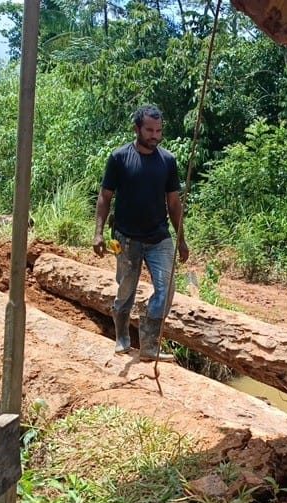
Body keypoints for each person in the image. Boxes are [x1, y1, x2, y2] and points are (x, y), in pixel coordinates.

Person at [94, 105, 189, 362]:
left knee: (166, 289)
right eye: (149, 130)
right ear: (137, 128)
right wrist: (98, 233)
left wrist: (181, 239)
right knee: (126, 290)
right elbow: (104, 197)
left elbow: (174, 203)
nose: (154, 135)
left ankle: (148, 345)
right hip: (126, 238)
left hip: (159, 237)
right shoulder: (119, 158)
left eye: (158, 131)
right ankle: (122, 337)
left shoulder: (168, 161)